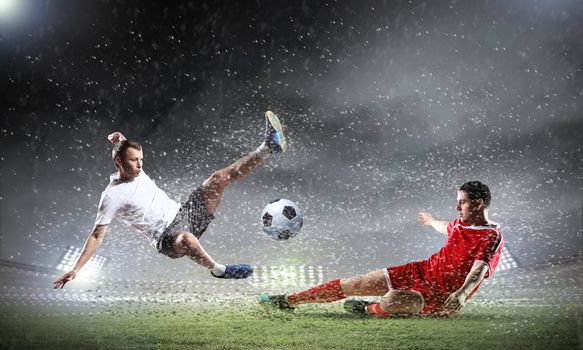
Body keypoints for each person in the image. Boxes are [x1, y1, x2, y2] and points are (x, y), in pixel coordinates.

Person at [53, 111, 287, 289]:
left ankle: (267, 147)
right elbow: (96, 236)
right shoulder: (111, 196)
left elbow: (124, 146)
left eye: (141, 159)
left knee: (218, 178)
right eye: (134, 161)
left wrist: (117, 139)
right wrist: (75, 269)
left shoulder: (136, 169)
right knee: (185, 238)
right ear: (119, 163)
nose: (140, 165)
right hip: (166, 239)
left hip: (184, 214)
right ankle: (219, 270)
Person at [259, 181, 503, 317]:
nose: (457, 206)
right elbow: (445, 227)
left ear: (479, 204)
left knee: (393, 299)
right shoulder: (460, 224)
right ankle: (288, 301)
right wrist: (429, 220)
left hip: (442, 295)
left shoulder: (491, 236)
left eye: (462, 202)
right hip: (421, 271)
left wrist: (461, 294)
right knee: (358, 282)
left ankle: (369, 309)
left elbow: (478, 270)